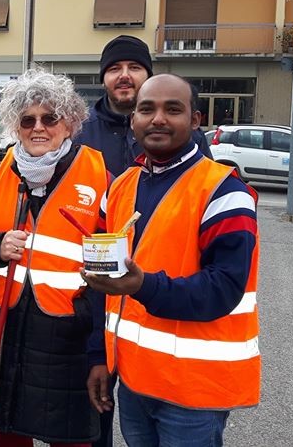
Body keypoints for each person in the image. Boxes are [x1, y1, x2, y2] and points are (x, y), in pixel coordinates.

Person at [83, 74, 260, 447]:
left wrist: (143, 285)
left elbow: (223, 289)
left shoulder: (224, 191)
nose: (158, 118)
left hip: (193, 392)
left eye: (172, 109)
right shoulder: (119, 188)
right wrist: (99, 355)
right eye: (146, 109)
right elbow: (101, 284)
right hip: (134, 382)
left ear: (195, 121)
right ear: (133, 120)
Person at [0, 68, 110, 447]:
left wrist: (97, 338)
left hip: (67, 332)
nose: (38, 127)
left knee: (70, 436)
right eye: (28, 120)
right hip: (4, 323)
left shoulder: (100, 177)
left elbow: (113, 265)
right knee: (7, 427)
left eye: (50, 117)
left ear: (70, 122)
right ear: (17, 125)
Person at [79, 35, 212, 447]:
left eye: (134, 67)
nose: (124, 75)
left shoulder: (196, 155)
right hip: (101, 295)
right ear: (103, 78)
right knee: (97, 412)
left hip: (167, 305)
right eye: (115, 68)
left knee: (162, 415)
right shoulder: (81, 130)